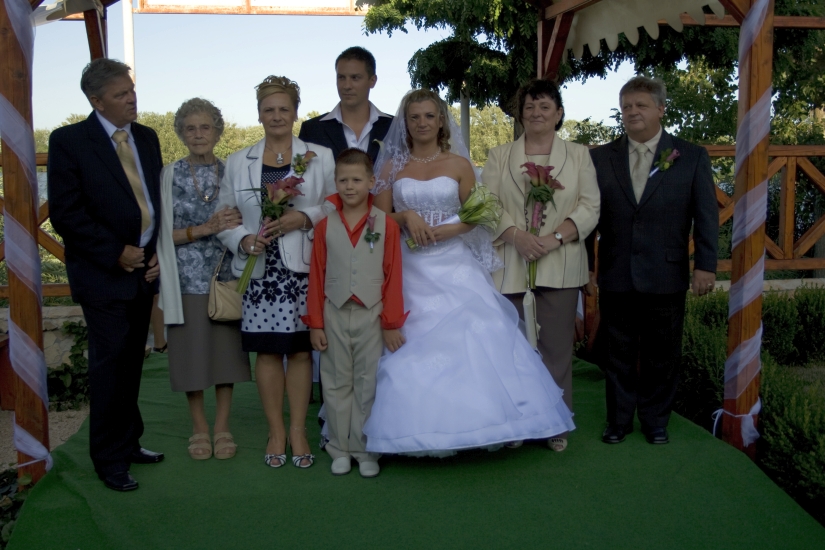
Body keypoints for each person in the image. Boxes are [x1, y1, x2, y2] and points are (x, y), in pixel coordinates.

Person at [362, 90, 575, 456]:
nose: (423, 123)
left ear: (441, 121)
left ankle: (498, 422)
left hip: (455, 265)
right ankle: (418, 428)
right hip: (410, 267)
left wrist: (448, 230)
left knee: (479, 336)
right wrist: (406, 216)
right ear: (405, 123)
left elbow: (477, 216)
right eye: (415, 117)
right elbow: (378, 219)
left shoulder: (459, 164)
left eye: (430, 116)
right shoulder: (390, 168)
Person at [48, 58, 164, 491]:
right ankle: (109, 459)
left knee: (131, 364)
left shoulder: (146, 137)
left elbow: (155, 202)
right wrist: (115, 253)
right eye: (121, 94)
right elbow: (66, 213)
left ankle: (129, 442)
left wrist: (156, 253)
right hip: (103, 275)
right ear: (96, 101)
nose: (131, 99)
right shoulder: (69, 141)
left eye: (131, 90)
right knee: (109, 368)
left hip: (143, 271)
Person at [590, 76, 718, 445]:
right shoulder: (599, 158)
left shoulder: (691, 156)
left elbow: (706, 215)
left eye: (641, 105)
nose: (632, 112)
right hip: (616, 270)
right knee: (617, 353)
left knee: (663, 353)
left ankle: (655, 420)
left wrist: (705, 266)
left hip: (667, 270)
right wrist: (587, 268)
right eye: (626, 106)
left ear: (661, 109)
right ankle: (618, 421)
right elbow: (588, 216)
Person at [215, 76, 335, 468]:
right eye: (269, 109)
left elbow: (336, 203)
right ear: (259, 114)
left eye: (284, 108)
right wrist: (242, 240)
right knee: (266, 352)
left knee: (300, 352)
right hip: (260, 271)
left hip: (303, 268)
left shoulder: (319, 156)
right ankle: (276, 431)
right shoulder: (239, 161)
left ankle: (298, 430)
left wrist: (305, 216)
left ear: (296, 112)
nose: (277, 115)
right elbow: (224, 216)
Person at [481, 79, 600, 452]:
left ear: (559, 113)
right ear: (520, 113)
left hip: (560, 262)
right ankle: (517, 422)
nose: (536, 113)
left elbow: (590, 206)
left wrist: (555, 238)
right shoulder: (499, 155)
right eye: (529, 106)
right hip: (510, 262)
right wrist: (516, 236)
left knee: (555, 348)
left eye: (545, 106)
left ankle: (554, 422)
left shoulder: (578, 155)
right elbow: (487, 204)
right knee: (512, 348)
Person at [302, 148, 406, 477]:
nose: (350, 186)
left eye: (357, 180)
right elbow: (316, 276)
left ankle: (365, 448)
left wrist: (391, 322)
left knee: (367, 382)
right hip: (333, 311)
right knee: (335, 381)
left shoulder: (386, 225)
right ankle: (339, 447)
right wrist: (315, 323)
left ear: (371, 182)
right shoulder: (324, 227)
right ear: (335, 182)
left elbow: (393, 275)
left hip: (372, 313)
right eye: (343, 180)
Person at [156, 98, 250, 460]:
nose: (198, 134)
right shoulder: (169, 175)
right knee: (190, 356)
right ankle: (199, 427)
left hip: (226, 277)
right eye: (190, 128)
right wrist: (203, 229)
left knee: (225, 356)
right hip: (184, 279)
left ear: (217, 131)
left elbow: (246, 222)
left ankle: (222, 426)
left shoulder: (233, 173)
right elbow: (161, 234)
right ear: (181, 133)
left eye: (205, 127)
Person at [298, 46, 392, 163]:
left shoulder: (395, 126)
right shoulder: (312, 130)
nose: (347, 86)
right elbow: (300, 172)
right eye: (341, 77)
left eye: (355, 78)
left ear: (372, 81)